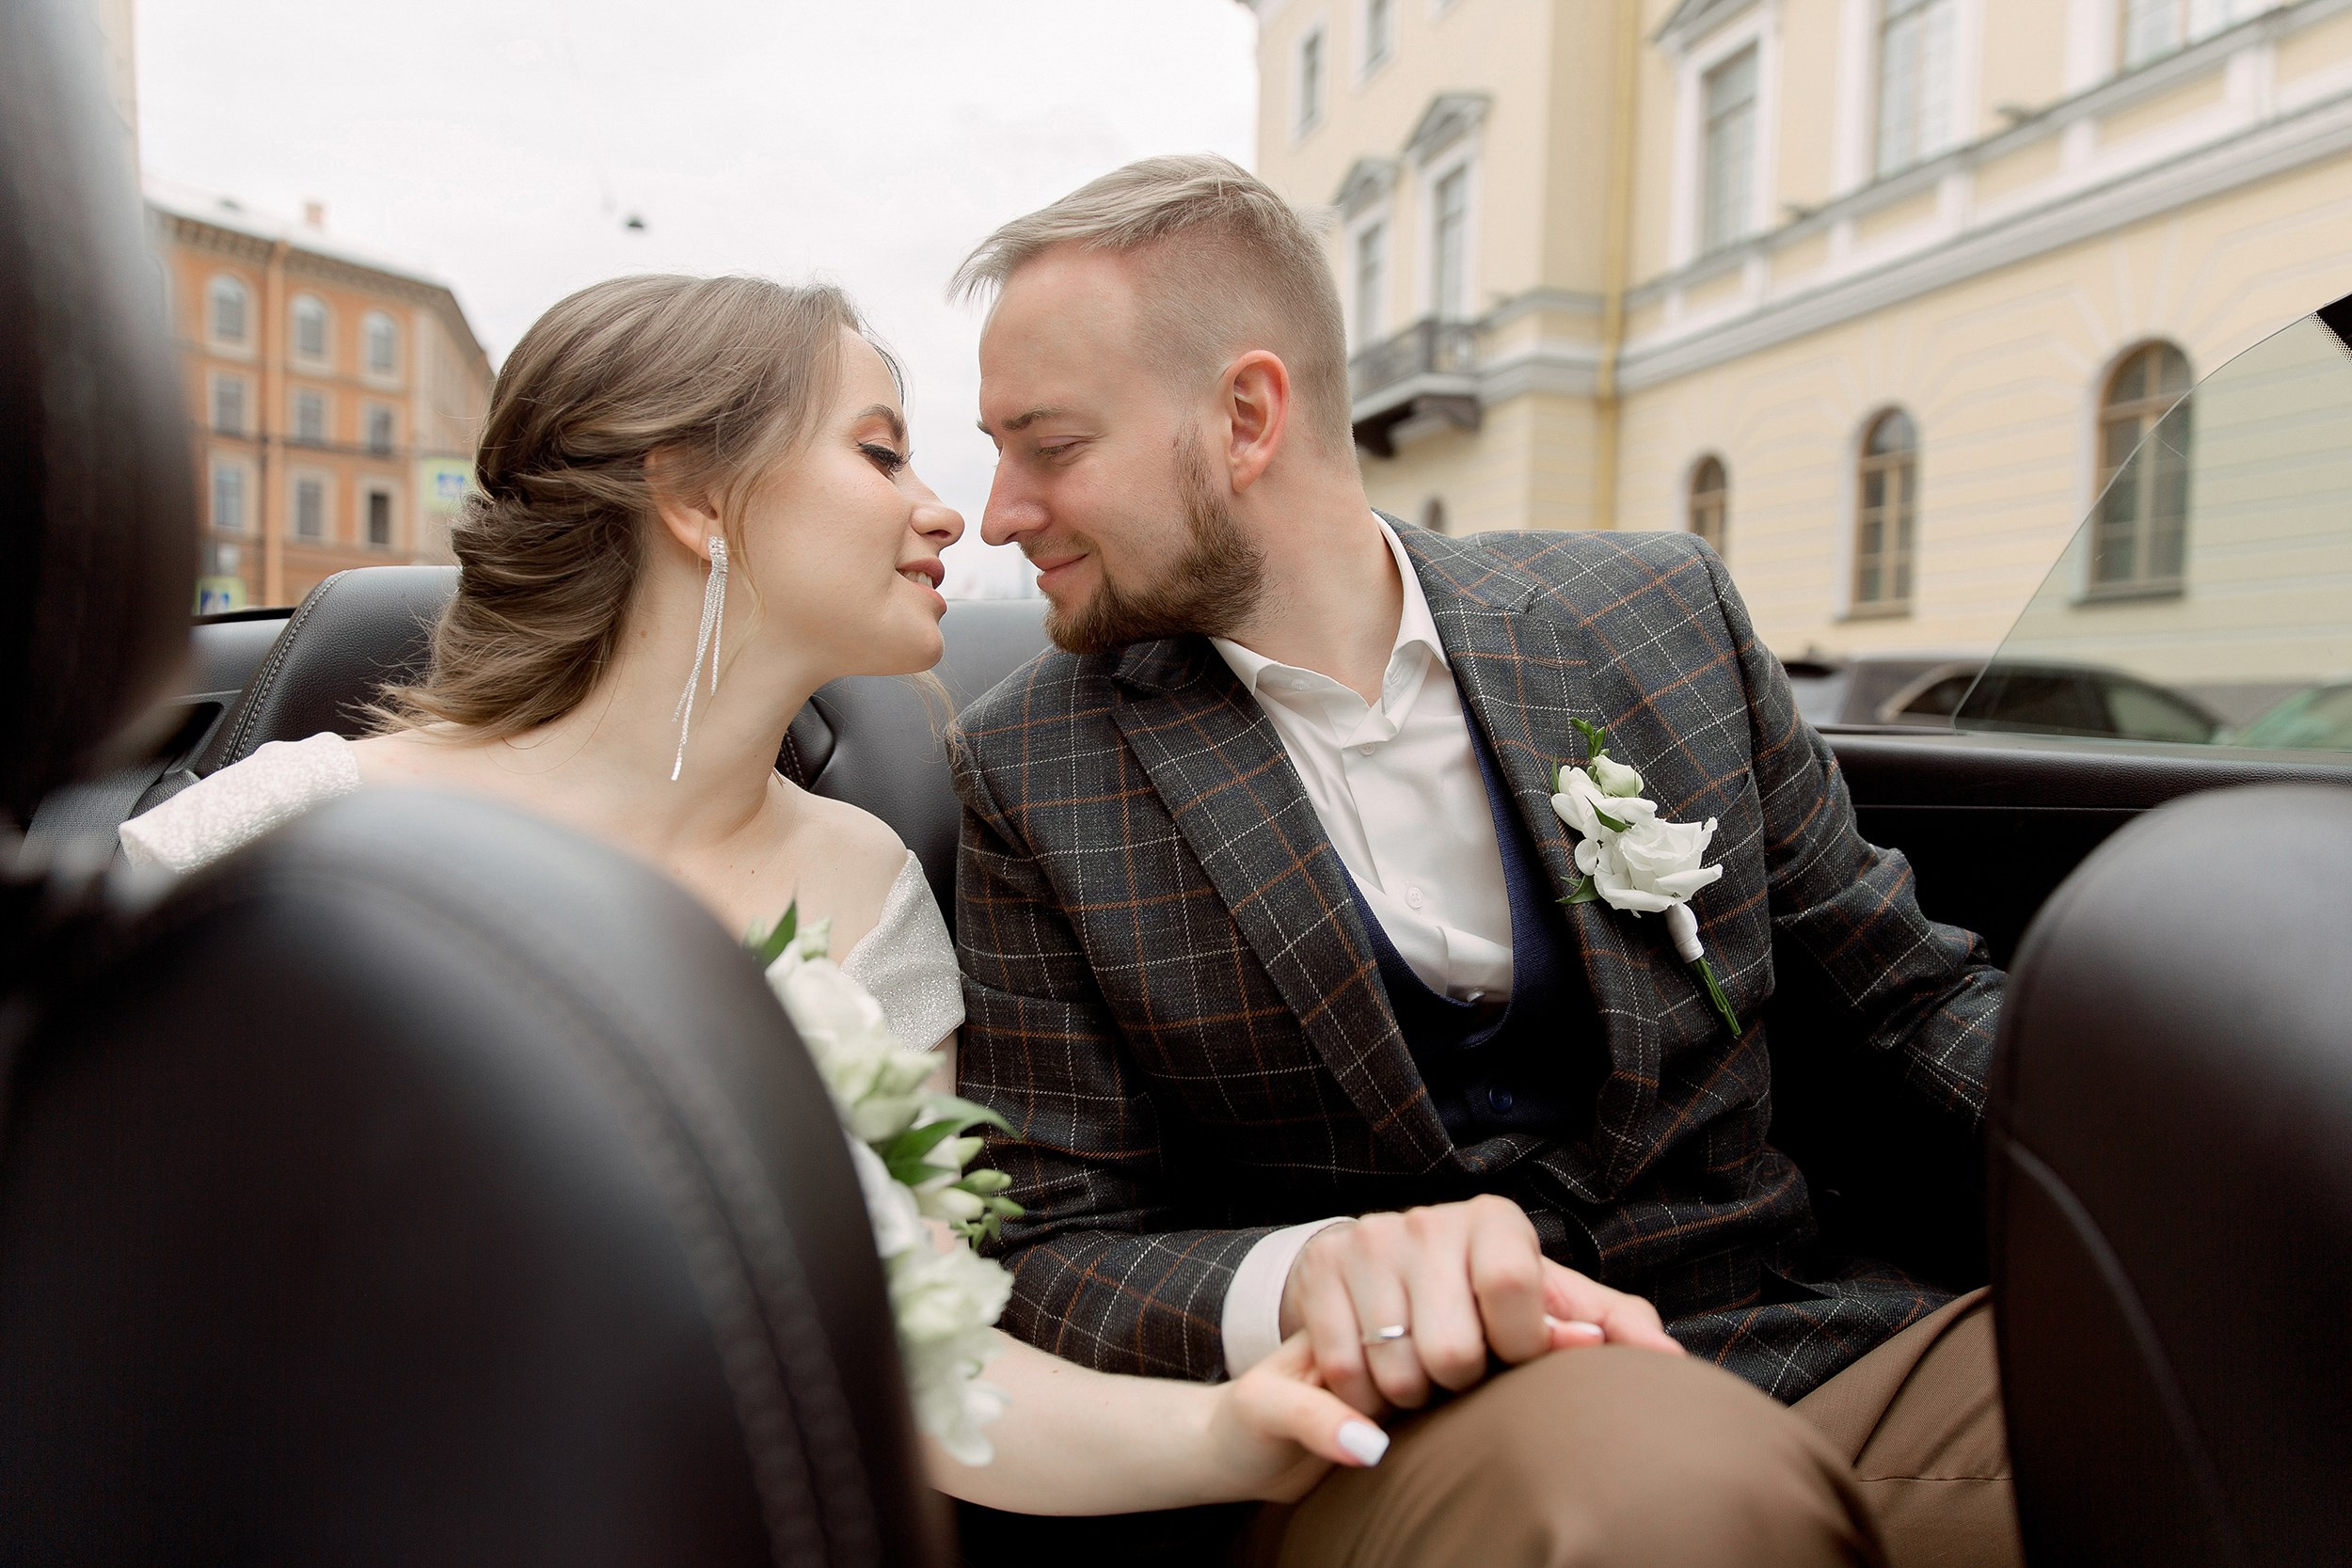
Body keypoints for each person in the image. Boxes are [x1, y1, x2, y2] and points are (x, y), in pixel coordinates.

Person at [118, 271, 1615, 1519]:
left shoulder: (870, 886)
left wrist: (1222, 1436)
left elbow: (924, 1361)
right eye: (884, 453)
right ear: (698, 499)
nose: (951, 513)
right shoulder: (295, 829)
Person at [946, 155, 2021, 1568]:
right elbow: (1053, 1249)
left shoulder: (1656, 612)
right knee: (1668, 1508)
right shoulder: (1031, 768)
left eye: (1050, 445)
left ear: (1247, 415)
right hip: (1441, 1425)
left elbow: (1904, 1005)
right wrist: (1317, 1278)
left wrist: (2176, 1153)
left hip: (1824, 1342)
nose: (997, 511)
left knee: (2242, 1371)